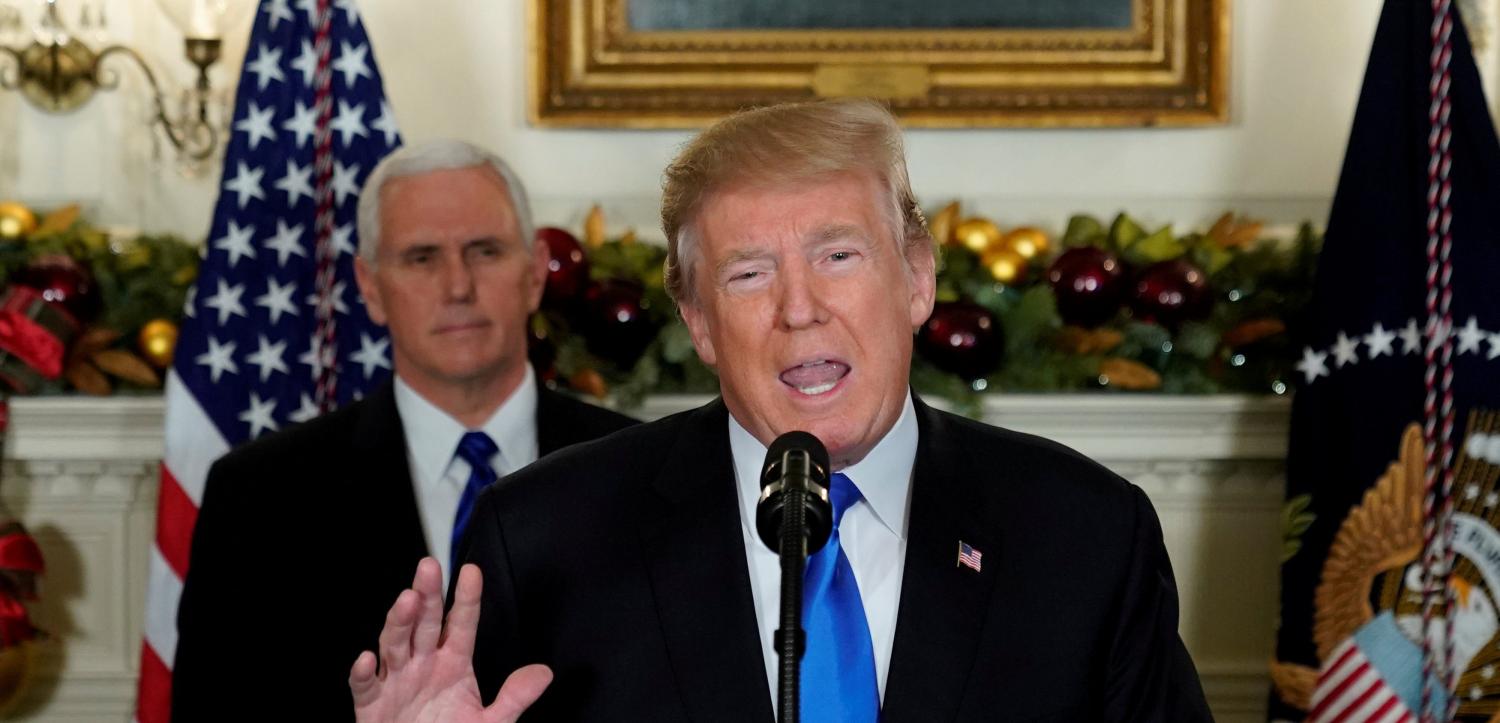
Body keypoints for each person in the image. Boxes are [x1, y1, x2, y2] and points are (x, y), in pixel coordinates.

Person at [350, 101, 1211, 721]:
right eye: (749, 273)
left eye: (838, 254)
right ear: (698, 321)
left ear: (917, 278)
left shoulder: (1085, 534)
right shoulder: (544, 539)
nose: (799, 309)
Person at [171, 140, 637, 722]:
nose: (457, 286)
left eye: (485, 250)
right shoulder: (259, 494)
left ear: (535, 272)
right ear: (369, 287)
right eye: (421, 258)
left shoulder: (640, 468)